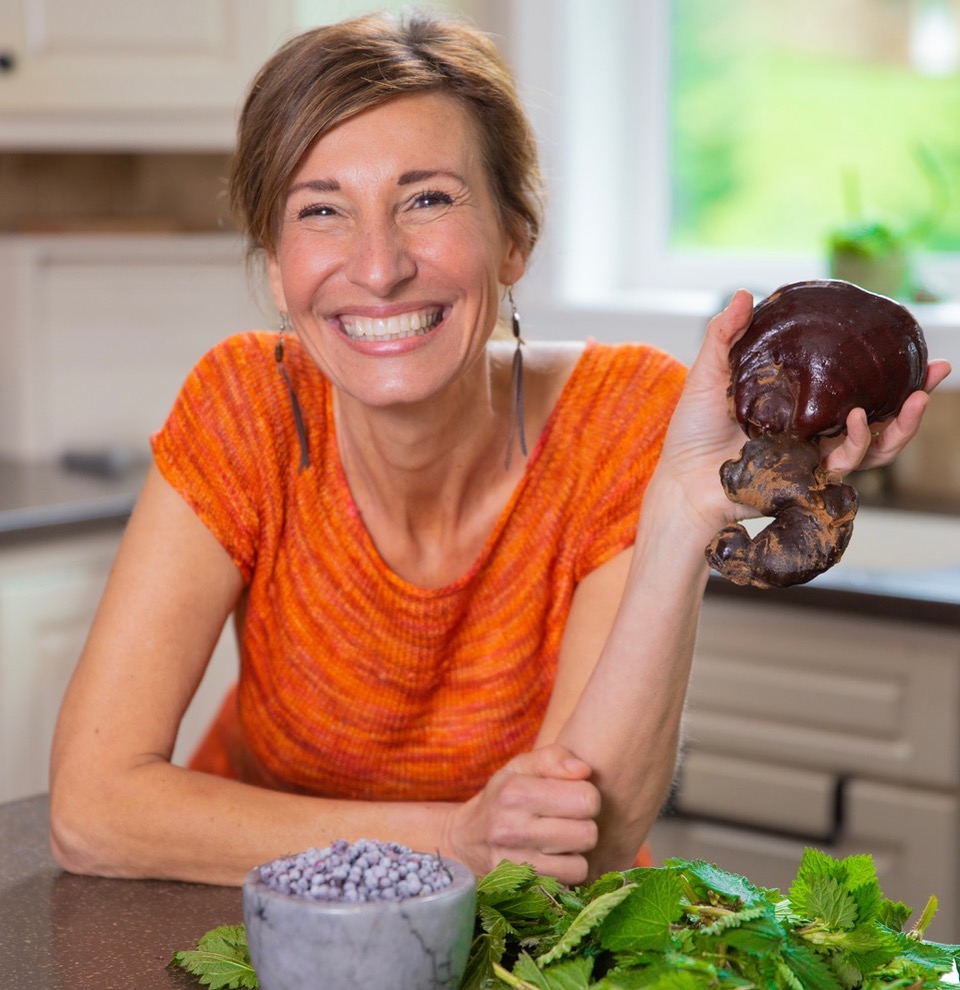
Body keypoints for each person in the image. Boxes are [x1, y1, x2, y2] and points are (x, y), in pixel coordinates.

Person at [48, 10, 949, 888]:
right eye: (321, 211)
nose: (378, 265)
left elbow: (584, 850)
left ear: (515, 238)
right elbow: (93, 810)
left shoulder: (621, 417)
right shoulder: (246, 408)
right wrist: (452, 837)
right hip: (266, 927)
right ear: (276, 263)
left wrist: (680, 512)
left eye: (428, 199)